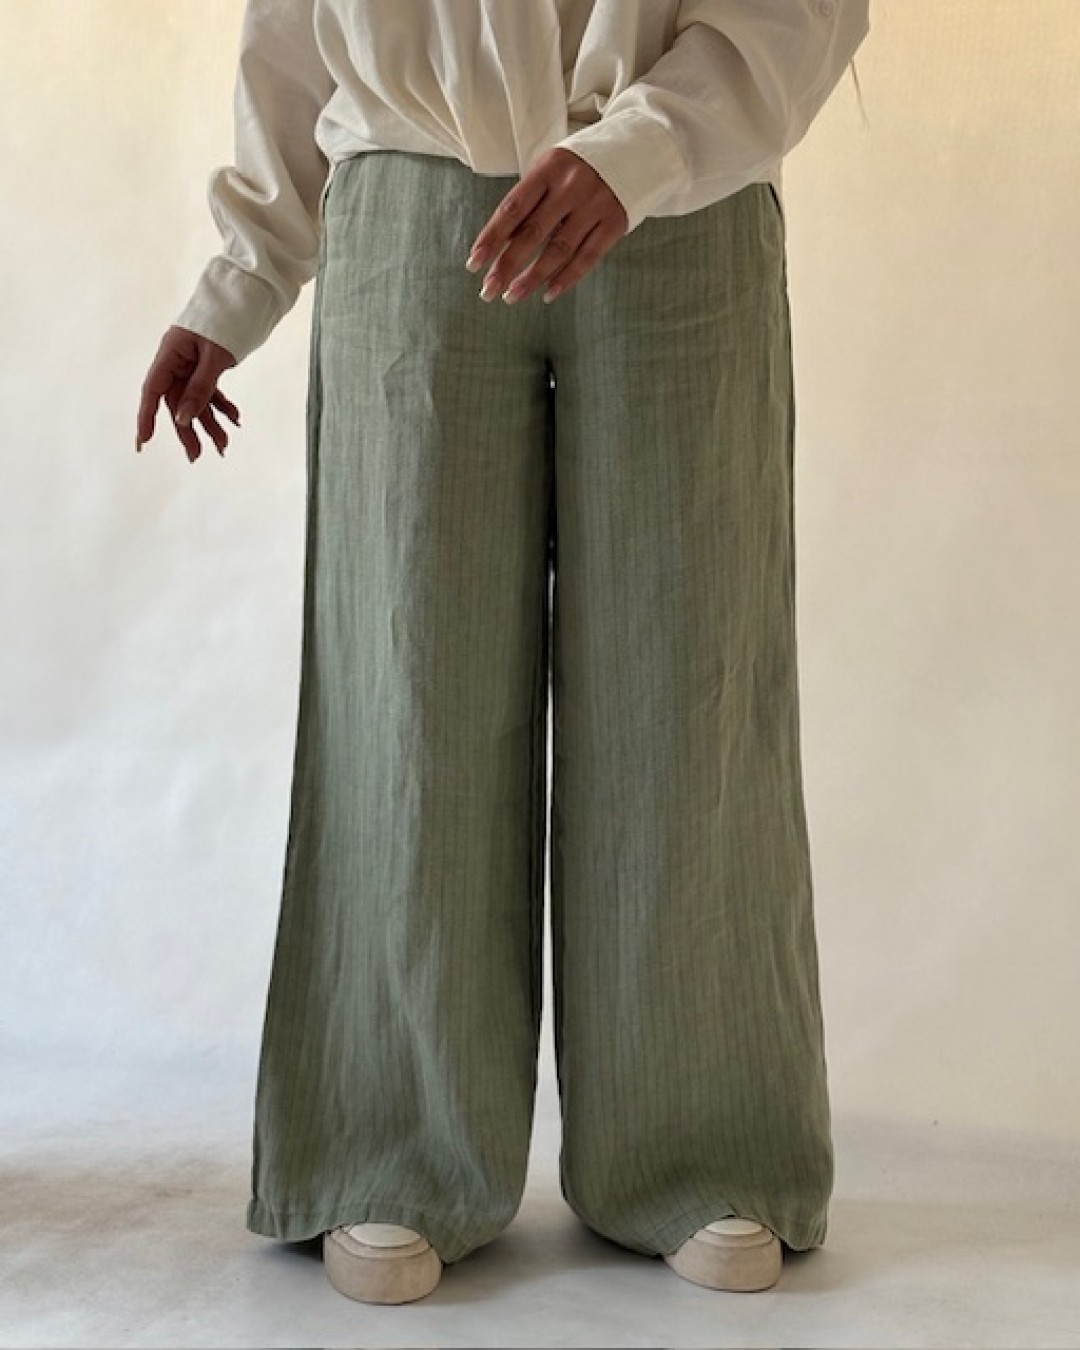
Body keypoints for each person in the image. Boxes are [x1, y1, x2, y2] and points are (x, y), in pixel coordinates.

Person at [136, 0, 871, 1307]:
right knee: (404, 694)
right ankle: (388, 1142)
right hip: (410, 201)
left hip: (685, 210)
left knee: (688, 691)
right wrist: (241, 277)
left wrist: (647, 146)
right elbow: (294, 27)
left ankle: (700, 1144)